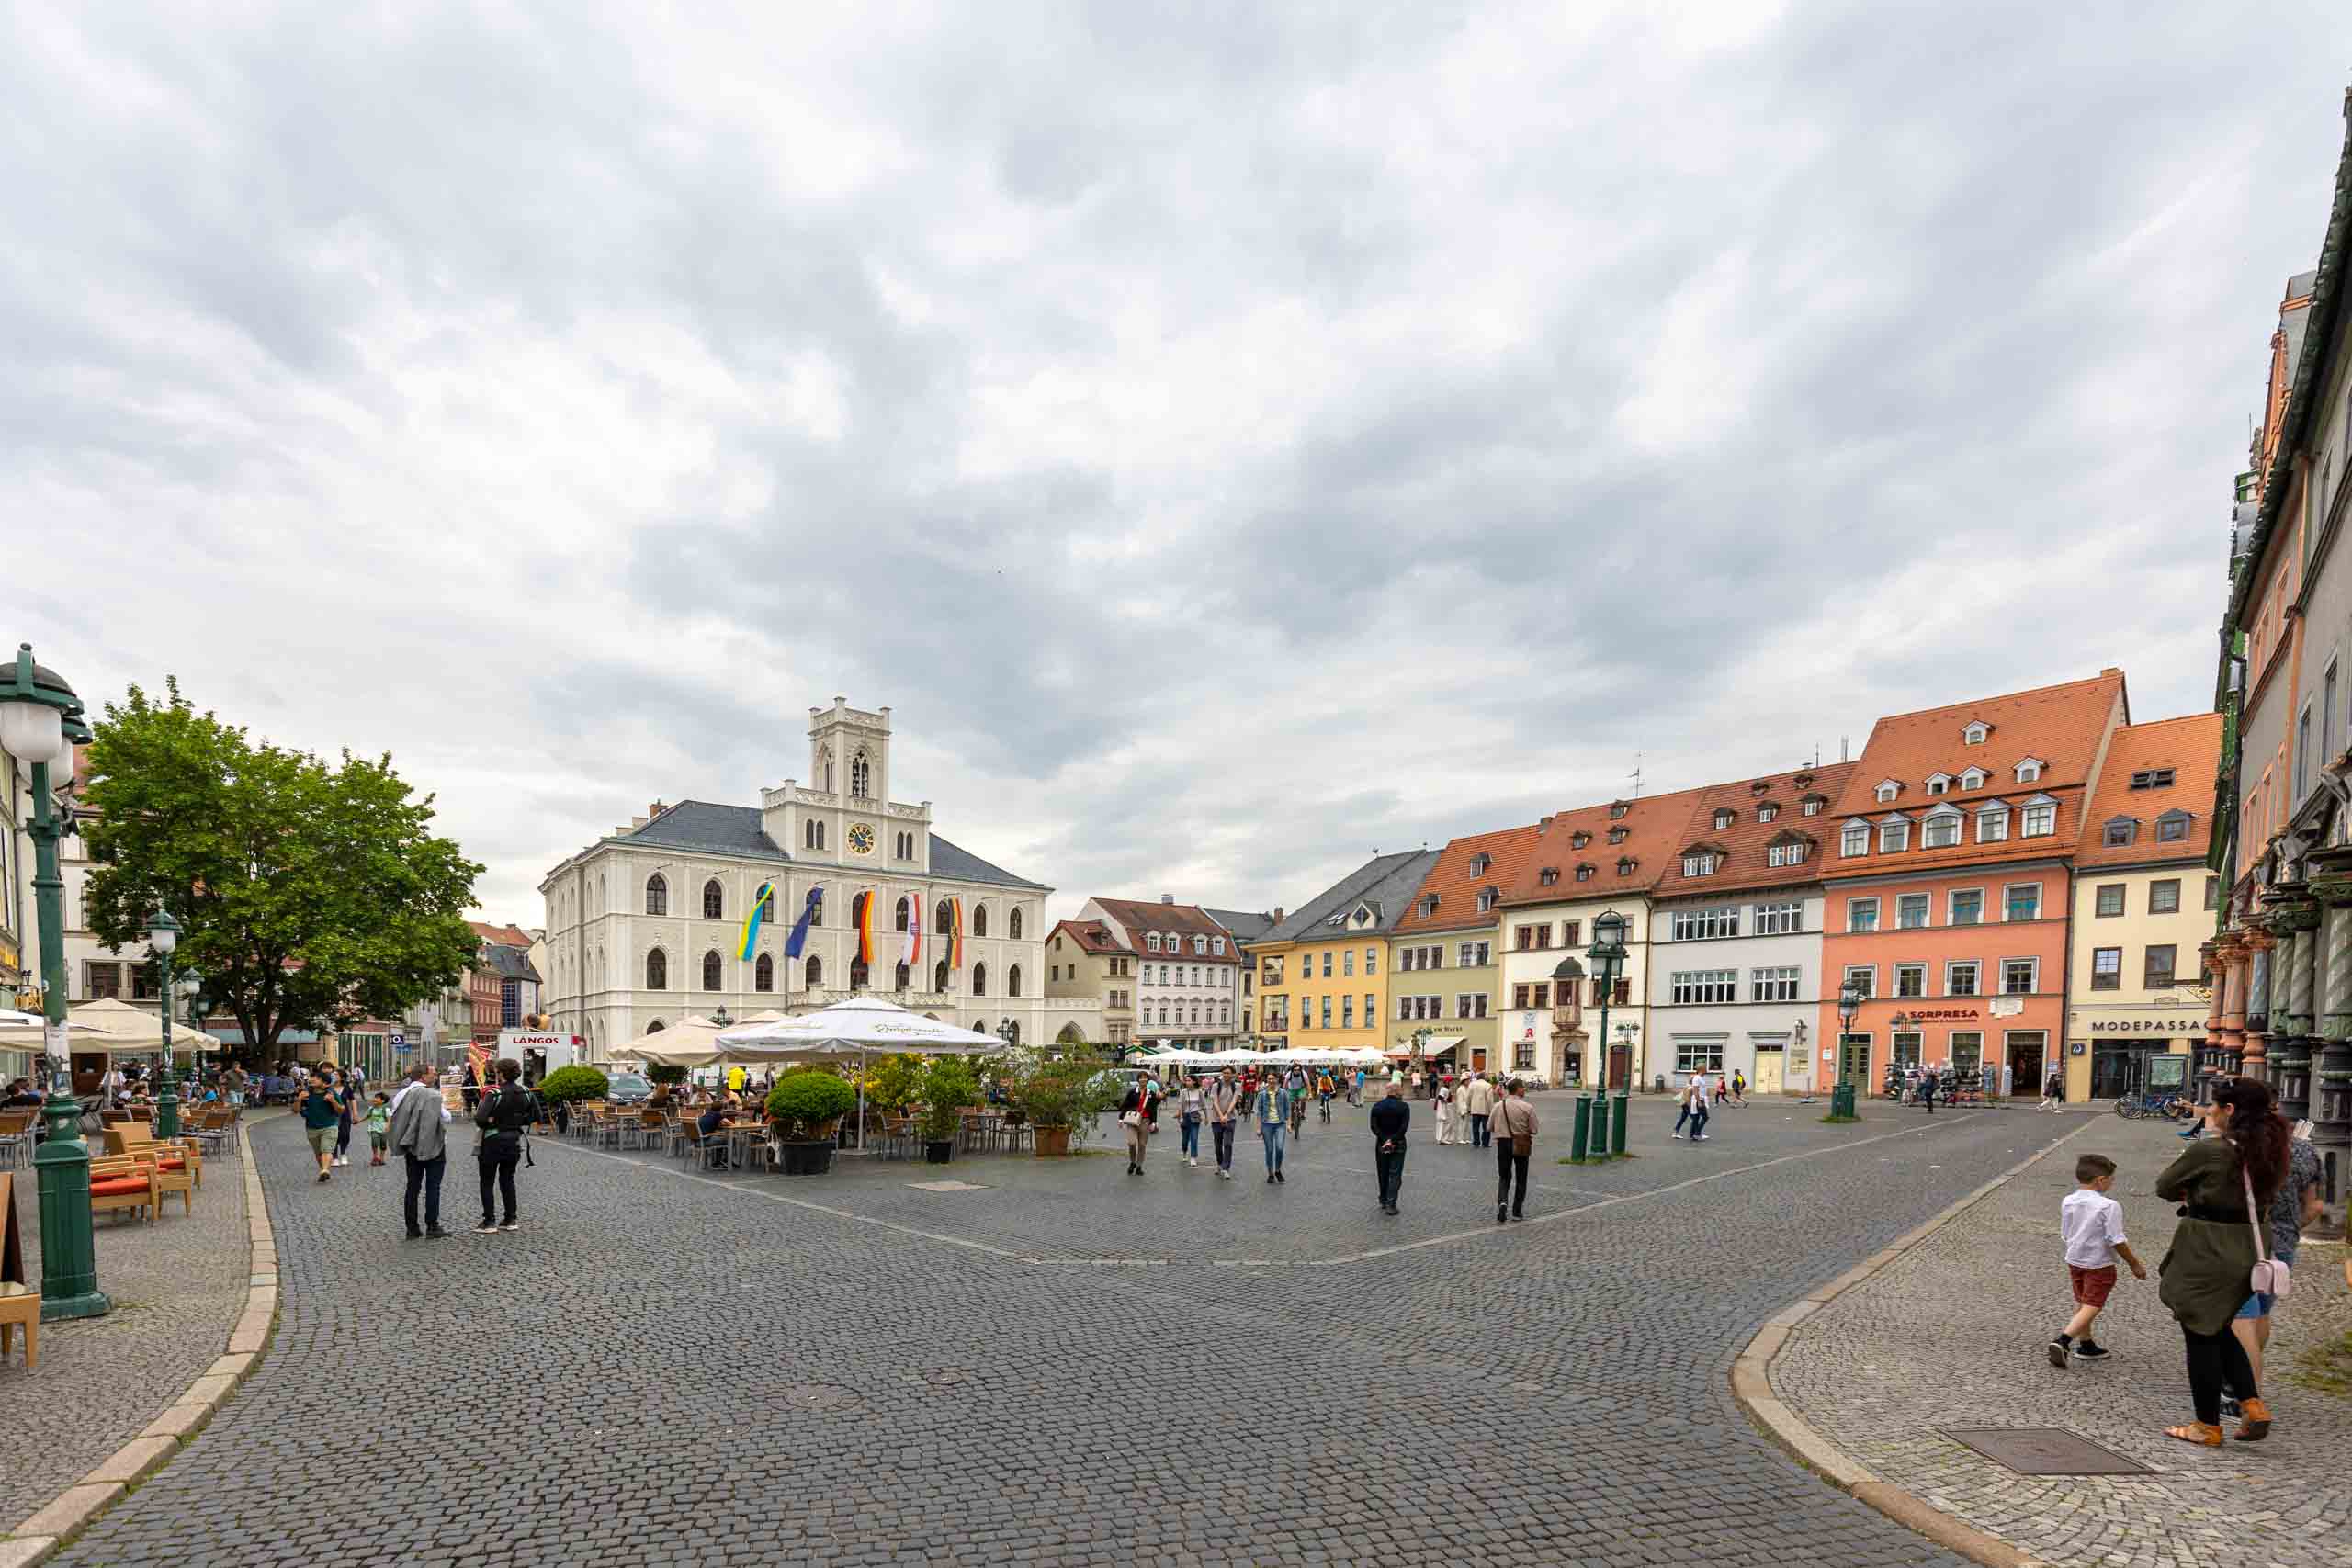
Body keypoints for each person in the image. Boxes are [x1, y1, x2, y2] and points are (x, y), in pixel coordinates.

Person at [2153, 1077, 2286, 1446]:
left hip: (2210, 1248)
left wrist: (2195, 1190)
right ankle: (2253, 1404)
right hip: (2250, 1245)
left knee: (2199, 1332)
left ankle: (2207, 1425)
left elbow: (2165, 1187)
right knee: (2220, 1324)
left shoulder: (2212, 1150)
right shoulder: (2272, 1148)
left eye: (2214, 1105)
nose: (2209, 1111)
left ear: (2229, 1110)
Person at [2227, 1119, 2324, 1409]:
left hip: (2242, 1241)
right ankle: (2247, 1381)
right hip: (2282, 1244)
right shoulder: (2305, 1152)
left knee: (2242, 1316)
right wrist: (2292, 1228)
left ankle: (2243, 1392)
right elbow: (2316, 1207)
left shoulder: (2237, 1149)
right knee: (2262, 1313)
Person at [2049, 1153, 2146, 1366]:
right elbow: (2116, 1239)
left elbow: (2065, 1232)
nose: (2112, 1183)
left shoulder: (2068, 1201)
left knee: (2083, 1301)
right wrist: (2134, 1263)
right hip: (2099, 1262)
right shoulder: (2108, 1206)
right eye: (2111, 1179)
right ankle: (2063, 1340)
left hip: (2074, 1258)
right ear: (2100, 1180)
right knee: (2093, 1303)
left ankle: (2087, 1344)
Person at [389, 1064, 451, 1239]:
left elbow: (395, 1116)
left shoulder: (401, 1094)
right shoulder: (432, 1095)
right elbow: (446, 1117)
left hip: (410, 1145)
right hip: (434, 1146)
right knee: (433, 1186)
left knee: (412, 1187)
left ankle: (412, 1227)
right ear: (423, 1076)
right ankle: (432, 1226)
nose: (436, 1076)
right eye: (433, 1073)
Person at [472, 1057, 532, 1235]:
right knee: (508, 1179)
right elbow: (534, 1115)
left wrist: (494, 1121)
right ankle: (510, 1219)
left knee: (487, 1181)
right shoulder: (526, 1091)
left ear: (501, 1073)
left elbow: (480, 1119)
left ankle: (489, 1222)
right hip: (514, 1140)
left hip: (492, 1141)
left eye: (497, 1072)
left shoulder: (494, 1093)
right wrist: (515, 1122)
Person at [1491, 1077, 1538, 1223]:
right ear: (1517, 1089)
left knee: (1504, 1176)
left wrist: (1501, 1128)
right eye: (1523, 1087)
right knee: (1521, 1178)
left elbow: (1489, 1126)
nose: (1524, 1089)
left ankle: (1503, 1202)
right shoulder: (1527, 1107)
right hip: (1521, 1143)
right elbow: (1534, 1129)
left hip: (1503, 1143)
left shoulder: (1498, 1106)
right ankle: (1517, 1211)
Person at [1370, 1081, 1409, 1215]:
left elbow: (1374, 1127)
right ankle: (1391, 1204)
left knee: (1383, 1171)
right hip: (1398, 1143)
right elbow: (1404, 1128)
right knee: (1395, 1174)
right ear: (1398, 1092)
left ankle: (1383, 1198)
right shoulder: (1404, 1107)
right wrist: (1392, 1140)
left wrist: (1384, 1139)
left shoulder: (1377, 1106)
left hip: (1381, 1142)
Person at [298, 1070, 345, 1182]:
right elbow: (295, 1110)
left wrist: (332, 1100)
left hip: (330, 1126)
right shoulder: (306, 1094)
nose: (312, 1080)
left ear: (324, 1082)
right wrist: (299, 1099)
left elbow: (341, 1110)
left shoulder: (331, 1093)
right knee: (318, 1153)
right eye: (311, 1077)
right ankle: (324, 1170)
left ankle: (324, 1170)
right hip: (312, 1128)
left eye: (316, 1078)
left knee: (326, 1150)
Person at [1116, 1076, 1159, 1176]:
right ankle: (1132, 1162)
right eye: (1141, 1078)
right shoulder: (1132, 1092)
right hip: (1132, 1120)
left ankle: (1139, 1166)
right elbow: (1125, 1105)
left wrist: (1153, 1122)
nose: (1143, 1080)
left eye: (1145, 1078)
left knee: (1142, 1145)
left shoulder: (1151, 1094)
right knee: (1131, 1143)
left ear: (1147, 1080)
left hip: (1145, 1121)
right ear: (1138, 1080)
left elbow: (1153, 1109)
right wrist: (1121, 1118)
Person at [1255, 1071, 1289, 1183]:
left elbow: (1287, 1109)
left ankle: (1278, 1170)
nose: (1271, 1081)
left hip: (1280, 1124)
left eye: (1273, 1078)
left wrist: (1289, 1124)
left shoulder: (1283, 1093)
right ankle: (1270, 1173)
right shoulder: (1262, 1094)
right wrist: (1258, 1127)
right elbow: (1259, 1111)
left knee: (1279, 1148)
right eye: (1269, 1079)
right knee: (1269, 1150)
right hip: (1266, 1124)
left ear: (1277, 1080)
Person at [1206, 1069, 1240, 1181]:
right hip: (1216, 1119)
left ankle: (1226, 1168)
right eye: (1224, 1073)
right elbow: (1215, 1102)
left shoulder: (1237, 1086)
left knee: (1228, 1144)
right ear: (1222, 1074)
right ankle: (1220, 1163)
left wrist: (1226, 1115)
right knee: (1218, 1144)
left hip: (1230, 1119)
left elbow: (1234, 1101)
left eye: (1229, 1073)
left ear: (1233, 1075)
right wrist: (1221, 1116)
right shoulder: (1216, 1085)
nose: (1226, 1075)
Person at [1462, 1071, 1496, 1148]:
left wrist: (1469, 1107)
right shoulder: (1488, 1085)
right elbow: (1490, 1099)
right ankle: (1485, 1143)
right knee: (1486, 1128)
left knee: (1475, 1127)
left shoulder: (1472, 1085)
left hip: (1475, 1109)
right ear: (1484, 1077)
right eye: (1486, 1076)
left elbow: (1468, 1097)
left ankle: (1476, 1142)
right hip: (1485, 1110)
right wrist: (1492, 1110)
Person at [1177, 1076, 1204, 1168]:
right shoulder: (1183, 1092)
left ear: (1194, 1082)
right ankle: (1184, 1151)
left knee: (1194, 1138)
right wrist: (1180, 1117)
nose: (1187, 1082)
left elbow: (1203, 1104)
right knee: (1185, 1139)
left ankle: (1193, 1157)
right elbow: (1180, 1105)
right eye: (1186, 1081)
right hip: (1185, 1116)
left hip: (1195, 1116)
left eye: (1189, 1080)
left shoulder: (1199, 1091)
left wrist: (1207, 1117)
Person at [365, 1091, 392, 1167]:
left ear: (382, 1101)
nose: (374, 1099)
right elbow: (367, 1116)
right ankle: (375, 1157)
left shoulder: (386, 1110)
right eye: (374, 1097)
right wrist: (358, 1121)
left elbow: (389, 1119)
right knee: (374, 1141)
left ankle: (381, 1158)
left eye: (377, 1098)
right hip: (373, 1129)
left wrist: (388, 1126)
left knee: (383, 1144)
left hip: (383, 1129)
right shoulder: (371, 1109)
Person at [1432, 1076, 1456, 1145]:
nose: (1451, 1082)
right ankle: (1442, 1138)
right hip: (1443, 1108)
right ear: (1447, 1082)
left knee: (1442, 1123)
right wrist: (1445, 1102)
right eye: (1450, 1081)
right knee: (1444, 1123)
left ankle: (1440, 1138)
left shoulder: (1445, 1089)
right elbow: (1441, 1097)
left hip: (1443, 1107)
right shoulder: (1444, 1089)